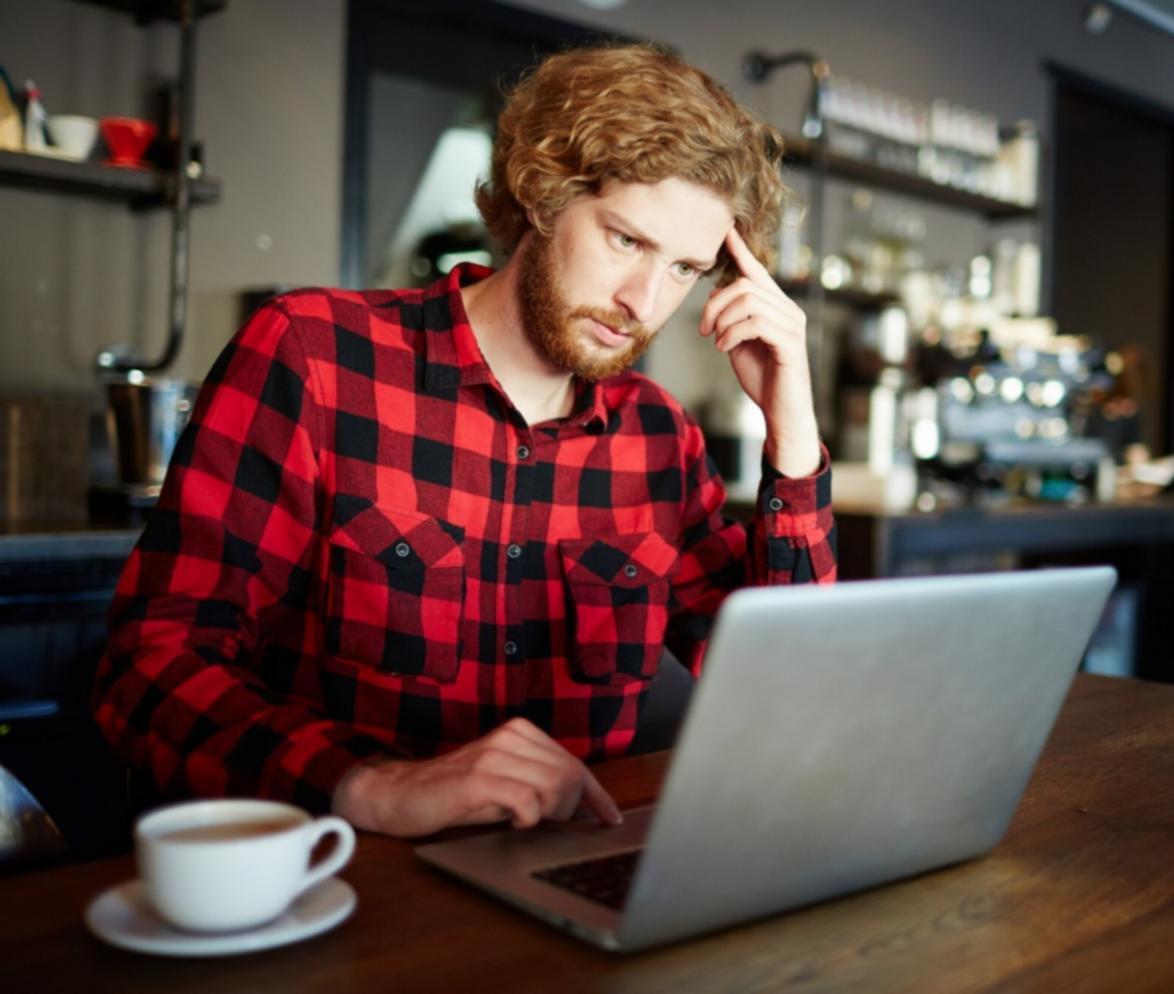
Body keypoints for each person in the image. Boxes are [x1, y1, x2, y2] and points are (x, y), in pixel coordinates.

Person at [91, 44, 836, 839]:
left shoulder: (659, 437)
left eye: (686, 268)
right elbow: (149, 670)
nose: (642, 302)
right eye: (626, 241)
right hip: (349, 883)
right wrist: (369, 785)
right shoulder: (314, 358)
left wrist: (790, 429)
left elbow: (790, 694)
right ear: (543, 194)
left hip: (570, 892)